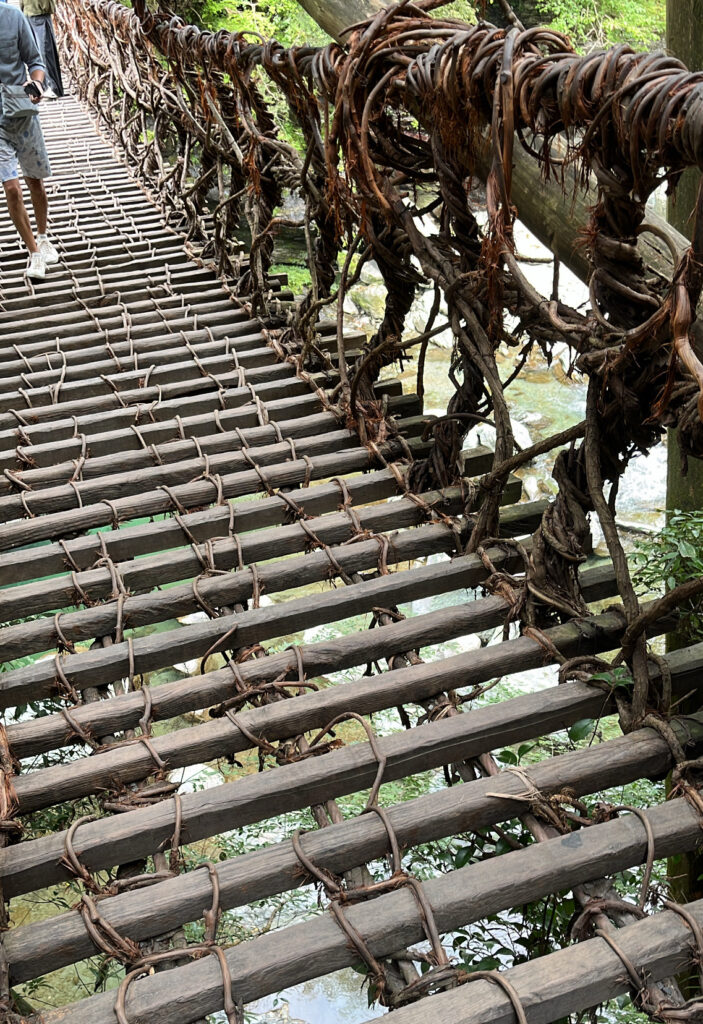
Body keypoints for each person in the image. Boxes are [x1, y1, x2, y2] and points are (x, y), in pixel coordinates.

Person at [0, 2, 58, 280]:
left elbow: (35, 61)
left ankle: (43, 236)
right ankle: (34, 252)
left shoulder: (13, 16)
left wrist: (36, 84)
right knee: (11, 188)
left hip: (21, 113)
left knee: (35, 181)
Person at [20, 0, 63, 99]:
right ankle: (46, 86)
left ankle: (50, 87)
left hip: (35, 12)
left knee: (43, 51)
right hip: (33, 12)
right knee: (40, 51)